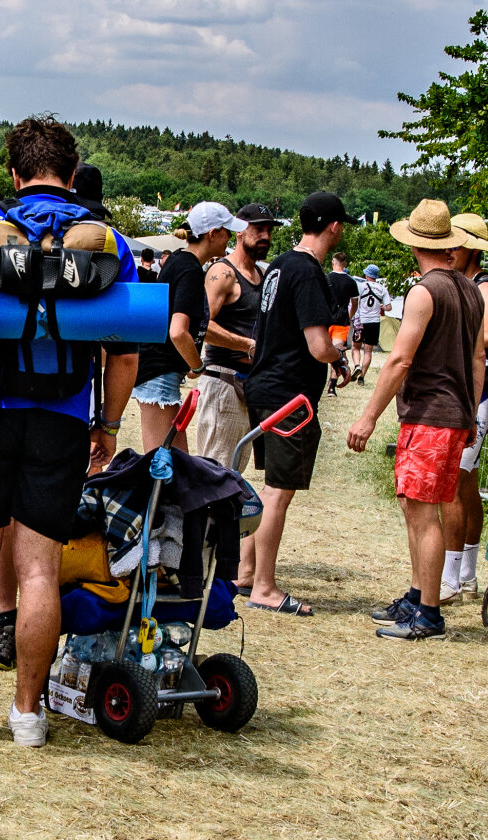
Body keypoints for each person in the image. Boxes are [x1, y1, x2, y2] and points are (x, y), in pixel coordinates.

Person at [0, 116, 139, 746]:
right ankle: (28, 716)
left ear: (13, 174)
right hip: (62, 416)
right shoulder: (108, 244)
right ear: (71, 172)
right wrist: (108, 425)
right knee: (39, 570)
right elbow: (123, 353)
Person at [347, 198, 484, 641]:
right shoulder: (469, 289)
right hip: (454, 415)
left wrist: (368, 417)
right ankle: (417, 594)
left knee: (423, 514)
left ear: (413, 245)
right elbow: (479, 357)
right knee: (415, 506)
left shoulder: (425, 292)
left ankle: (428, 614)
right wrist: (470, 412)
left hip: (429, 416)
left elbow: (400, 359)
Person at [239, 191, 355, 616]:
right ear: (335, 227)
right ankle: (264, 588)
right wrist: (339, 358)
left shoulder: (280, 266)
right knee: (277, 492)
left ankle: (247, 572)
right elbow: (318, 343)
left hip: (265, 386)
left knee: (268, 487)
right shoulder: (308, 273)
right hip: (289, 394)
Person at [131, 202, 246, 453]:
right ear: (212, 233)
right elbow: (178, 331)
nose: (230, 238)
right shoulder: (189, 269)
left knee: (173, 464)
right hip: (158, 376)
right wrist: (197, 365)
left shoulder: (180, 262)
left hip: (160, 374)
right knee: (163, 466)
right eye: (226, 232)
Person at [439, 213, 488, 603]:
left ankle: (451, 578)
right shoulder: (468, 285)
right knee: (467, 483)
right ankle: (466, 576)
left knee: (453, 476)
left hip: (483, 394)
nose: (448, 250)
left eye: (455, 244)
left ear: (472, 248)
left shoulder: (486, 287)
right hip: (473, 392)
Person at [197, 203, 280, 471]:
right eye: (258, 229)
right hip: (224, 382)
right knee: (215, 474)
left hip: (249, 386)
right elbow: (201, 325)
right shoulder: (222, 273)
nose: (265, 236)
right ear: (239, 232)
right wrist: (247, 345)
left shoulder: (262, 275)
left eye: (268, 230)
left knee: (232, 479)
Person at [325, 251, 360, 397]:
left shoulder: (326, 278)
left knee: (319, 352)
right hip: (341, 321)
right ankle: (331, 388)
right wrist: (349, 316)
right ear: (345, 264)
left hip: (325, 321)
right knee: (337, 354)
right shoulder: (351, 281)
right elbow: (355, 303)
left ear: (333, 261)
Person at [350, 264, 391, 385]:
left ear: (367, 275)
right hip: (374, 322)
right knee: (368, 351)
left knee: (355, 347)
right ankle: (362, 376)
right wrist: (382, 306)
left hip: (361, 321)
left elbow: (354, 302)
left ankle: (357, 365)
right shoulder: (382, 288)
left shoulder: (360, 286)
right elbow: (388, 307)